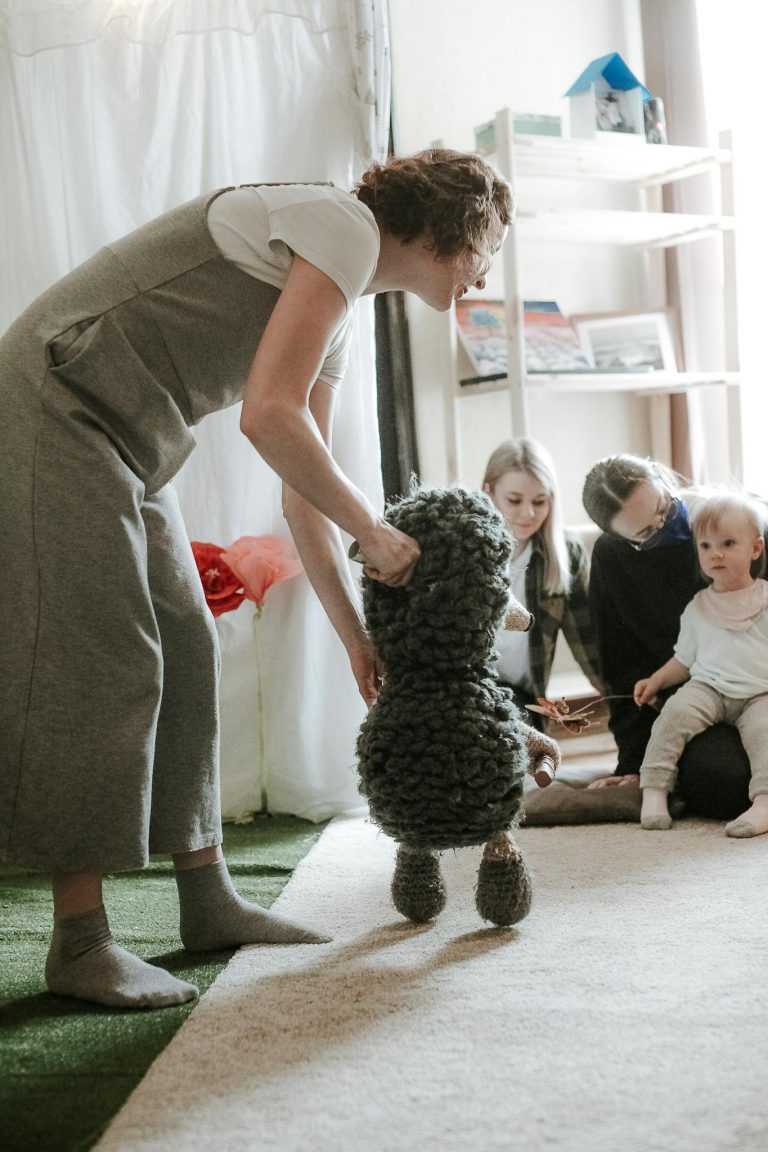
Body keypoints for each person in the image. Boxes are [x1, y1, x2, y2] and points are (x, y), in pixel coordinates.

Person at [0, 149, 512, 1009]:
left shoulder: (342, 305)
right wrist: (374, 531)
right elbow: (267, 414)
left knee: (189, 644)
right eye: (488, 248)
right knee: (105, 661)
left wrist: (355, 638)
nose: (486, 274)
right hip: (54, 402)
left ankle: (207, 899)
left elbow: (301, 489)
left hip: (129, 438)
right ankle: (80, 942)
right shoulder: (342, 225)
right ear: (449, 227)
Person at [581, 452, 768, 819]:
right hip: (699, 694)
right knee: (720, 783)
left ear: (665, 481)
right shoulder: (611, 559)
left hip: (762, 687)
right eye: (646, 534)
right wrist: (632, 762)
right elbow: (621, 665)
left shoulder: (733, 520)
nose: (667, 526)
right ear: (619, 539)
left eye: (665, 508)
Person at [634, 491, 768, 836]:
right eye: (706, 546)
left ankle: (764, 803)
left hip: (760, 693)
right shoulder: (697, 607)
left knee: (765, 734)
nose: (715, 554)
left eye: (728, 543)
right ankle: (654, 790)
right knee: (673, 715)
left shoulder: (765, 599)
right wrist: (656, 680)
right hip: (708, 687)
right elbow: (684, 659)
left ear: (755, 549)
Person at [482, 437, 602, 725]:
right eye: (514, 500)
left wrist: (630, 699)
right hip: (466, 690)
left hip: (522, 699)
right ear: (489, 491)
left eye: (539, 501)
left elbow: (589, 647)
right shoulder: (462, 548)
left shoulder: (564, 555)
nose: (528, 513)